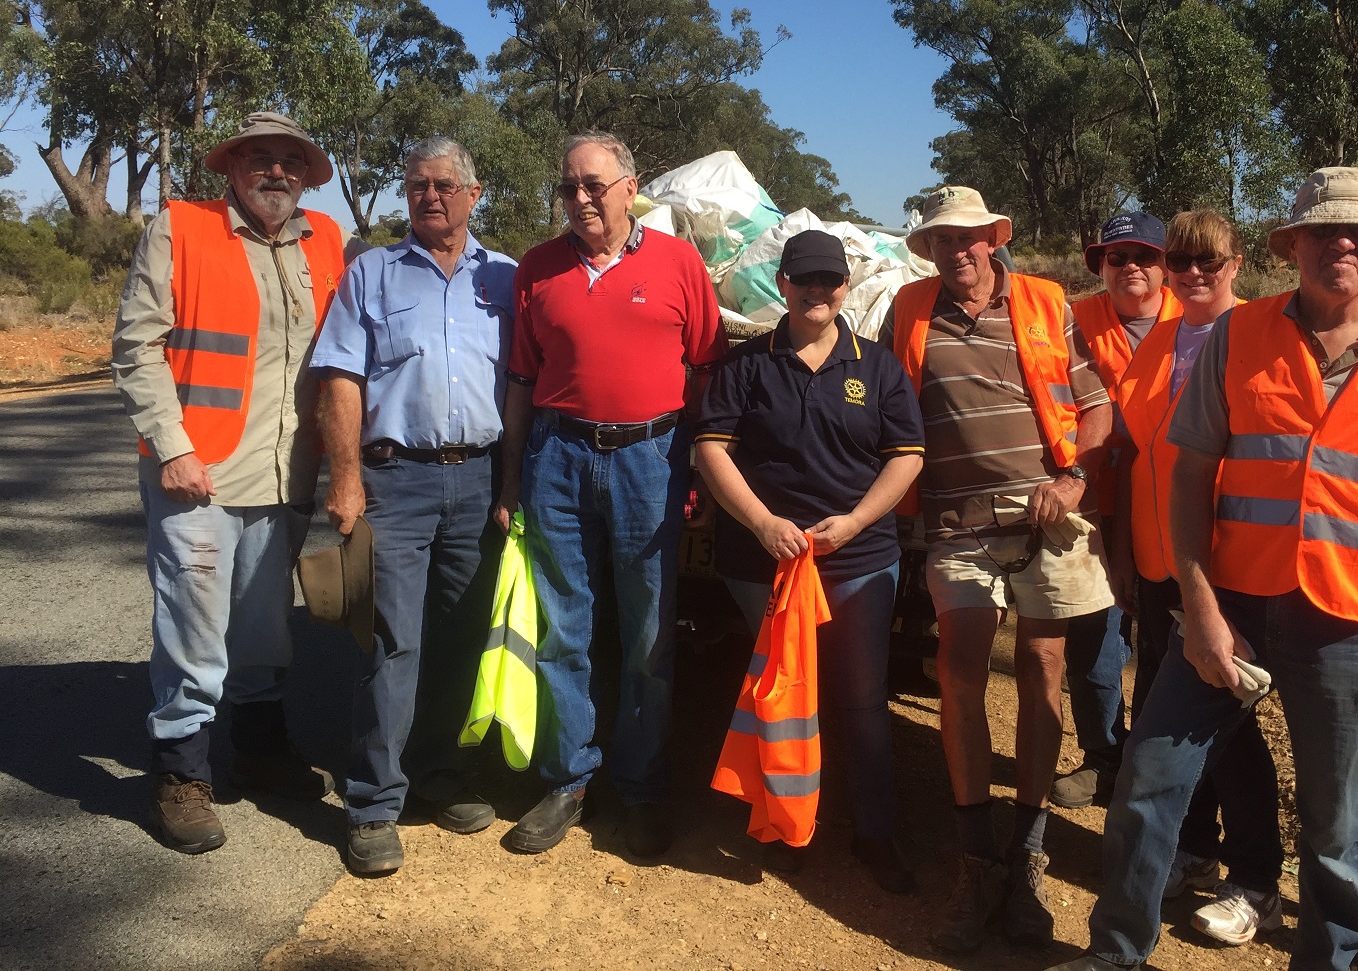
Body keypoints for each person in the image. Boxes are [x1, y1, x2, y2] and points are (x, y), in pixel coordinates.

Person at [1053, 166, 1358, 971]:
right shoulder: (1240, 333)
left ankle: (1329, 960)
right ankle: (1116, 955)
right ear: (1293, 245)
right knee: (1148, 783)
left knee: (1336, 824)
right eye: (1323, 231)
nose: (1343, 245)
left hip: (1356, 626)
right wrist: (1201, 607)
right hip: (1235, 609)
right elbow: (1188, 473)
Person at [878, 186, 1115, 953]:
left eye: (970, 237)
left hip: (1047, 514)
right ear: (931, 250)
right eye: (944, 240)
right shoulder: (909, 310)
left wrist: (1074, 477)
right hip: (955, 526)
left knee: (1045, 669)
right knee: (961, 671)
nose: (959, 251)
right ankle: (976, 862)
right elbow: (884, 404)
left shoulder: (1047, 302)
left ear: (992, 239)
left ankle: (1028, 858)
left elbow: (1098, 406)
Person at [112, 111, 354, 855]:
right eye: (260, 157)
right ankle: (181, 773)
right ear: (231, 169)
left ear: (309, 175)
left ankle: (258, 748)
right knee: (193, 628)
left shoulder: (328, 241)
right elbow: (136, 346)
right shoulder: (181, 229)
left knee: (263, 624)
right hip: (198, 476)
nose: (276, 171)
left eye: (291, 159)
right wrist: (173, 447)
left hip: (287, 476)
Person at [495, 130, 727, 860]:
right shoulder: (536, 268)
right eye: (569, 187)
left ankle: (644, 787)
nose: (582, 199)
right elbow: (523, 384)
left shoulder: (678, 261)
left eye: (594, 184)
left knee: (649, 639)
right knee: (564, 628)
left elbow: (708, 372)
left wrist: (698, 471)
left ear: (631, 187)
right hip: (558, 456)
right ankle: (568, 780)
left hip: (650, 460)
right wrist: (512, 480)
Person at [694, 229, 925, 893]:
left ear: (845, 287)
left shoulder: (877, 366)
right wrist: (764, 522)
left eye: (830, 280)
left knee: (859, 696)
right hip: (762, 560)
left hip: (858, 562)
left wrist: (853, 523)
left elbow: (906, 456)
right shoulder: (747, 363)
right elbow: (713, 450)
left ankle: (875, 831)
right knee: (787, 694)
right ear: (784, 286)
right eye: (804, 280)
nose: (817, 291)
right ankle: (788, 823)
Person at [312, 136, 517, 876]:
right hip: (395, 482)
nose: (428, 196)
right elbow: (340, 378)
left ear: (474, 192)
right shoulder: (370, 274)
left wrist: (512, 482)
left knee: (462, 639)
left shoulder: (507, 280)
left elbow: (523, 387)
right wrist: (344, 479)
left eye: (442, 185)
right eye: (416, 185)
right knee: (391, 642)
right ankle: (373, 803)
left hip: (479, 481)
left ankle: (440, 776)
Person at [1105, 209, 1282, 945]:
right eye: (1181, 263)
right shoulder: (1162, 339)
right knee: (1168, 719)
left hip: (1225, 565)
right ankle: (1195, 850)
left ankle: (1256, 879)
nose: (1193, 275)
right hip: (1159, 562)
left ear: (1238, 262)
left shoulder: (1264, 338)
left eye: (1210, 262)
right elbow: (1142, 454)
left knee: (1228, 731)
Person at [1051, 211, 1181, 810]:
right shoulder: (1071, 320)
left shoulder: (1202, 318)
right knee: (1098, 640)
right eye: (1115, 257)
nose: (1130, 267)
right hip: (1096, 500)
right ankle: (1103, 756)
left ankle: (1154, 766)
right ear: (1099, 266)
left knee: (1165, 641)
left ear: (1165, 266)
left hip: (1170, 505)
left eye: (1144, 256)